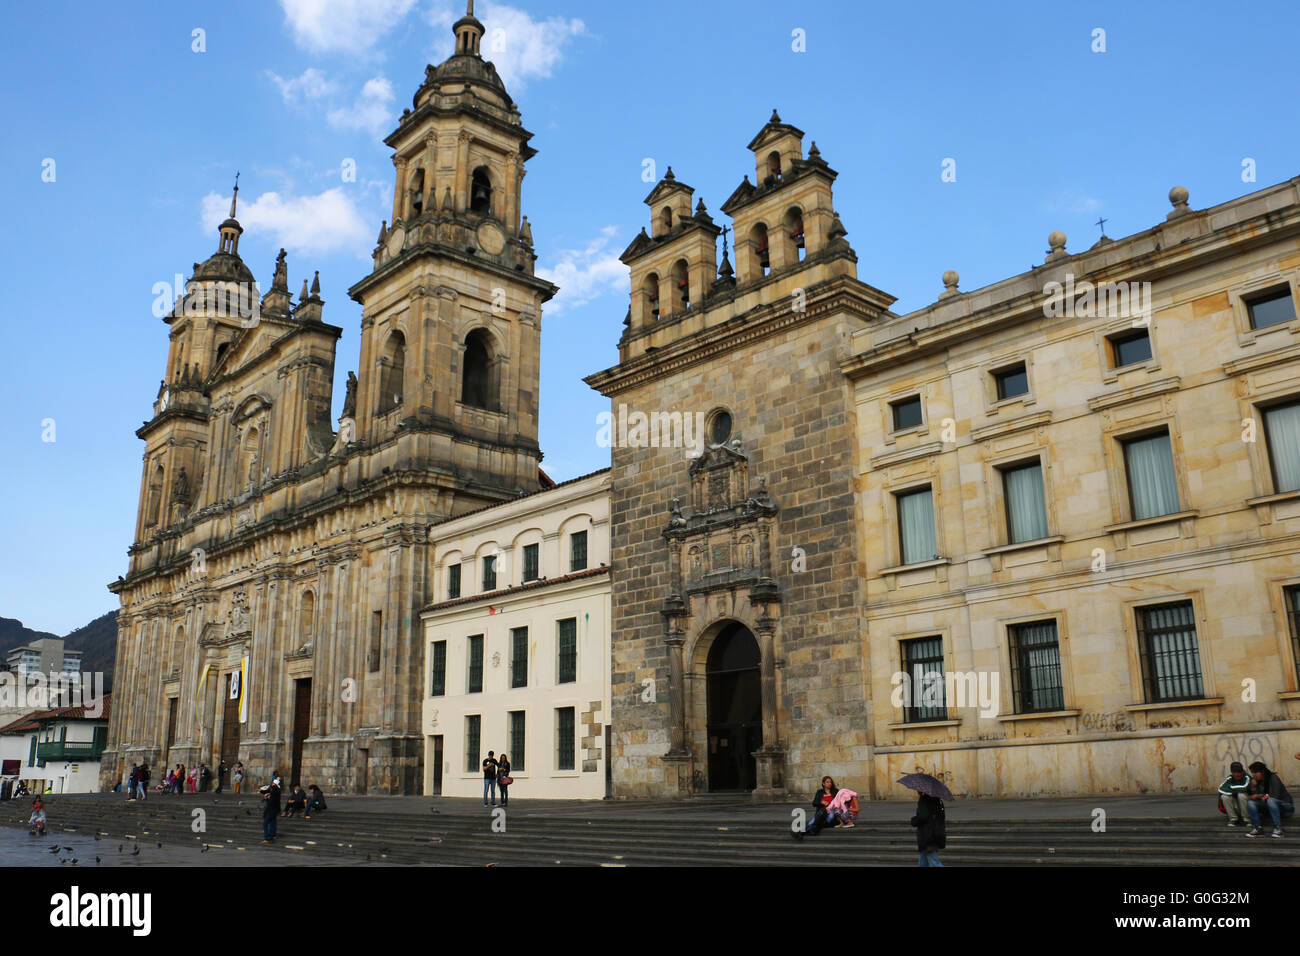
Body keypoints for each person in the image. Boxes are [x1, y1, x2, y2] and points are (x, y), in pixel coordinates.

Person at [1246, 761, 1294, 838]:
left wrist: (1258, 796)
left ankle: (1278, 828)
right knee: (1251, 803)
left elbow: (1275, 796)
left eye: (1256, 772)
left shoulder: (1273, 778)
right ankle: (1258, 828)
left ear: (1262, 772)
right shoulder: (1257, 782)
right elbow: (1252, 796)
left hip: (1285, 807)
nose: (1254, 775)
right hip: (1269, 808)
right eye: (1252, 773)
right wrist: (1253, 787)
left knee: (1271, 800)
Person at [911, 792, 946, 866]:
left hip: (927, 835)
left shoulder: (924, 799)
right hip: (935, 833)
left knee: (934, 862)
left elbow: (923, 816)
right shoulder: (938, 800)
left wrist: (914, 820)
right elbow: (942, 817)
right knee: (923, 863)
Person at [1218, 761, 1252, 827]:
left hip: (1246, 805)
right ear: (1232, 773)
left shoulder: (1247, 777)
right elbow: (1221, 789)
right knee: (1225, 797)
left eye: (1239, 772)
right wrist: (1238, 790)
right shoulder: (1230, 778)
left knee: (1241, 795)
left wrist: (1230, 788)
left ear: (1243, 771)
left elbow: (1245, 787)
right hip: (1236, 805)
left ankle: (1247, 819)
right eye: (1234, 772)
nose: (1237, 775)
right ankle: (1233, 819)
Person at [260, 777, 281, 844]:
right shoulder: (277, 791)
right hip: (275, 809)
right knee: (273, 822)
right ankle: (273, 835)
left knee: (266, 823)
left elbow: (270, 802)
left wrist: (266, 798)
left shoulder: (273, 790)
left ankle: (267, 838)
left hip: (270, 809)